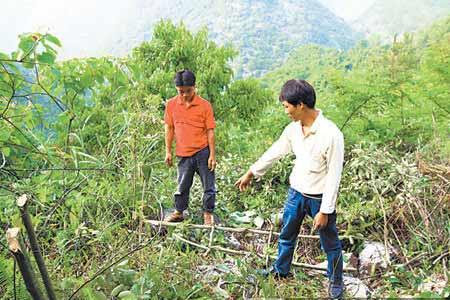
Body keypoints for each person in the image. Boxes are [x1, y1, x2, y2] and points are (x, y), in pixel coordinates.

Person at [235, 79, 345, 298]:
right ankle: (280, 271)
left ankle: (336, 281)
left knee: (330, 243)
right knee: (286, 235)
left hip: (319, 198)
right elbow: (276, 151)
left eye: (287, 106)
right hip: (296, 193)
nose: (286, 111)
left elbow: (334, 175)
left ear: (301, 105)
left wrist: (326, 210)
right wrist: (252, 172)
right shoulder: (293, 130)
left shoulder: (331, 135)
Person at [164, 70, 216, 226]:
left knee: (209, 185)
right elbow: (169, 128)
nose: (185, 95)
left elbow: (210, 130)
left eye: (188, 91)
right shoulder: (171, 105)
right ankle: (179, 212)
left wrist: (212, 154)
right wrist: (168, 151)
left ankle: (208, 213)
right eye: (181, 91)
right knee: (182, 185)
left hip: (203, 151)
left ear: (194, 87)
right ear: (176, 89)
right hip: (183, 154)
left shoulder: (205, 105)